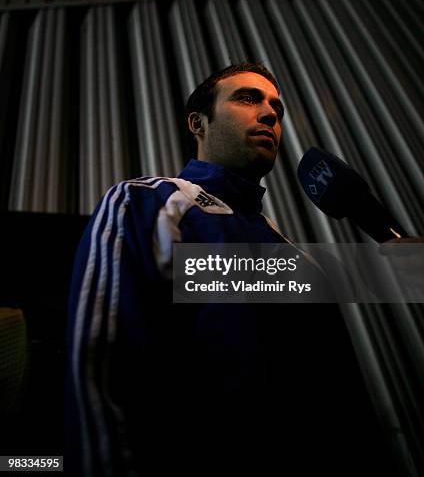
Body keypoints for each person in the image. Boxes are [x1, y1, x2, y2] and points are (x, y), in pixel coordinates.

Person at [65, 62, 393, 476]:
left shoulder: (298, 256)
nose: (271, 113)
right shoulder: (147, 201)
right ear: (198, 122)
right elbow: (101, 363)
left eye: (277, 106)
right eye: (247, 98)